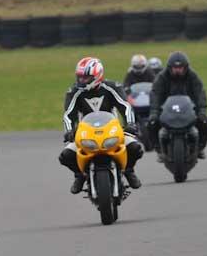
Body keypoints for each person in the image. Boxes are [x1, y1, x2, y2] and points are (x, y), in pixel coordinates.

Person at [59, 57, 144, 194]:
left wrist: (130, 124)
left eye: (86, 78)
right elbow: (68, 114)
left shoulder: (112, 87)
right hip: (86, 133)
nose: (81, 81)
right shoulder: (74, 92)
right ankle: (79, 176)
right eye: (80, 77)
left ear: (97, 75)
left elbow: (125, 107)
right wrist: (69, 132)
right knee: (66, 155)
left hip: (112, 131)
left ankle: (129, 170)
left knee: (135, 148)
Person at [147, 51, 207, 159]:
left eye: (180, 68)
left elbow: (200, 93)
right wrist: (154, 112)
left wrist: (202, 112)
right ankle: (159, 149)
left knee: (205, 121)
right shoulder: (162, 77)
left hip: (190, 108)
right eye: (175, 68)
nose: (177, 70)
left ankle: (200, 148)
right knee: (151, 123)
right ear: (170, 67)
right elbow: (155, 94)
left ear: (185, 67)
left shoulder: (192, 76)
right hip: (166, 109)